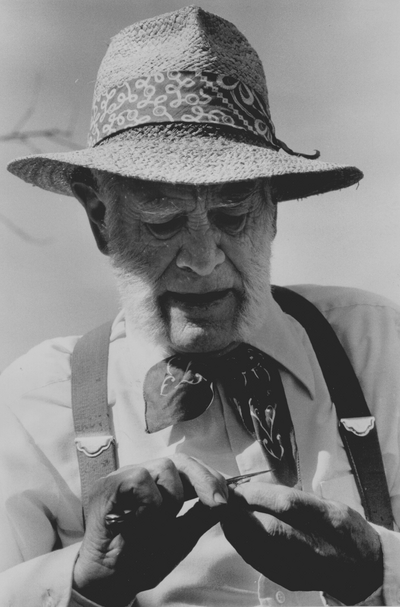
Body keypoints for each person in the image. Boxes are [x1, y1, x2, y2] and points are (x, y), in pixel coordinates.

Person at [1, 5, 400, 606]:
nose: (204, 258)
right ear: (99, 219)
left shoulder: (379, 350)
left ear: (272, 212)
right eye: (162, 221)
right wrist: (84, 585)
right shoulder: (36, 405)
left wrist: (376, 570)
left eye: (232, 216)